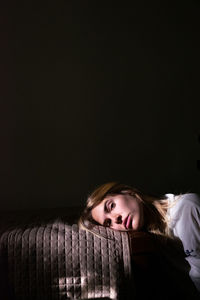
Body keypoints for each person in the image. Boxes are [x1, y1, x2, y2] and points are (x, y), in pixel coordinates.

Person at [79, 181, 200, 293]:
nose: (116, 218)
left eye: (111, 206)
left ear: (128, 192)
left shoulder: (187, 209)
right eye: (108, 223)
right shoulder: (150, 237)